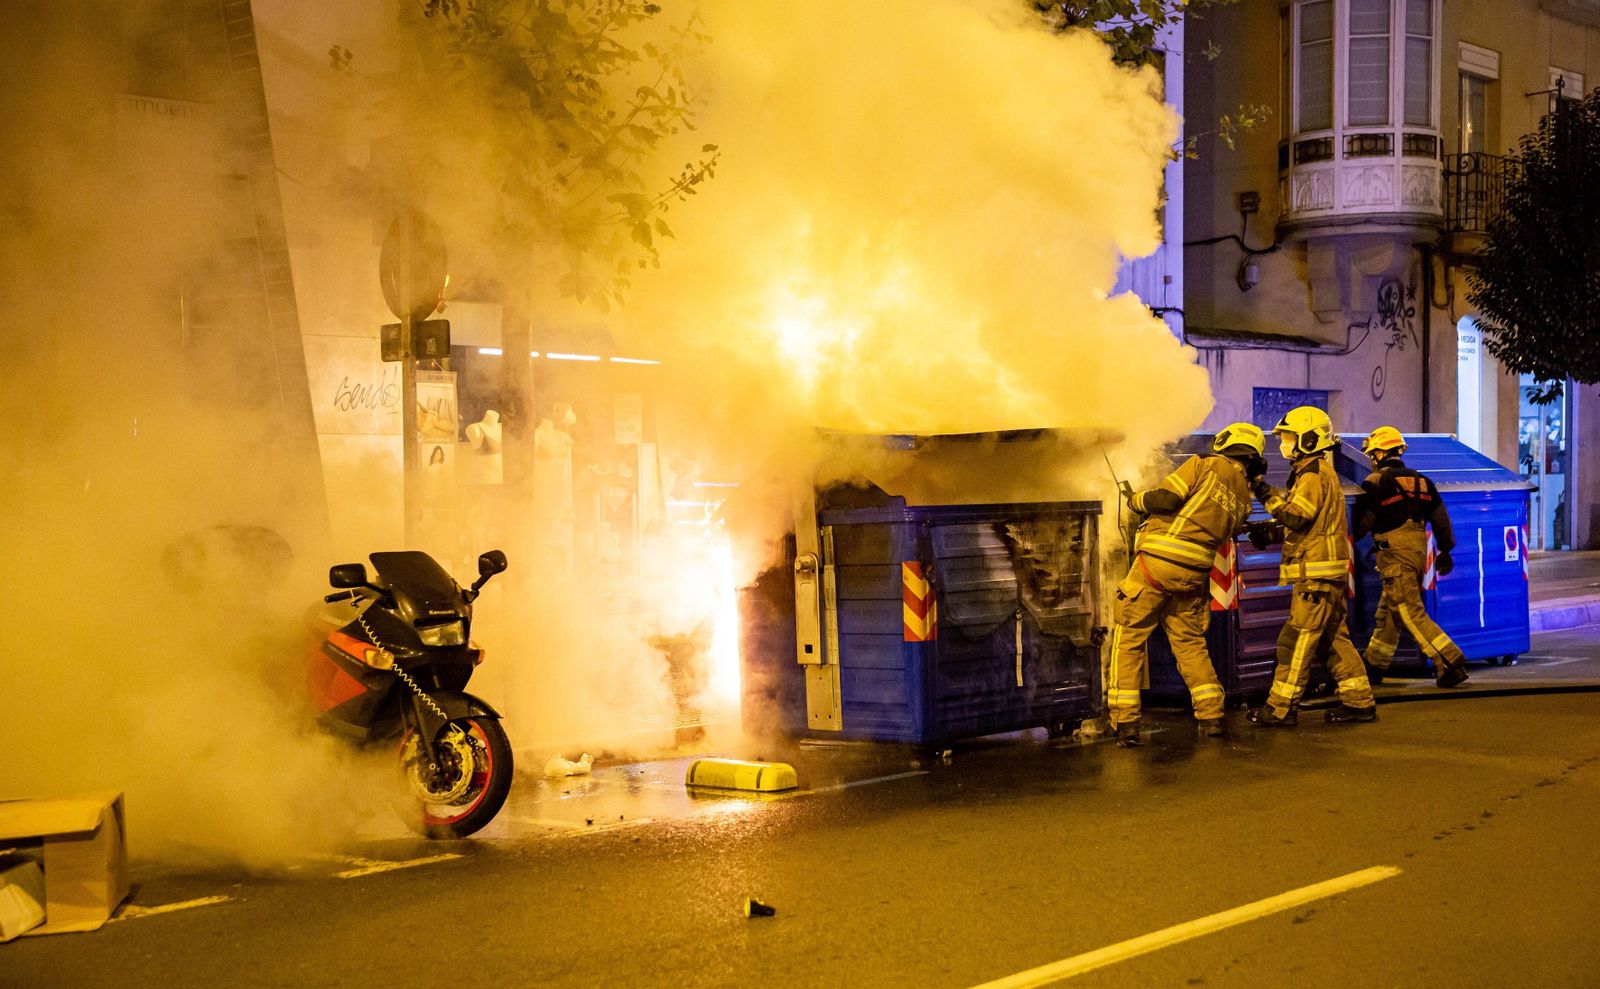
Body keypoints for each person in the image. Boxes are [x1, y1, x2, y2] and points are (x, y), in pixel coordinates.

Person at [1106, 423, 1269, 747]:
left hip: (1156, 565)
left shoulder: (1204, 464)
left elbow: (1166, 498)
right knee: (1190, 645)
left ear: (1227, 443)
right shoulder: (1243, 498)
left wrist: (1136, 500)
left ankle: (1125, 723)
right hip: (1193, 575)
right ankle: (1211, 717)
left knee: (1129, 636)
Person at [1247, 407, 1379, 726]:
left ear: (1308, 439)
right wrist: (1272, 530)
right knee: (1334, 640)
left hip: (1316, 574)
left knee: (1297, 640)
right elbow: (1307, 521)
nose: (1285, 444)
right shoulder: (1315, 472)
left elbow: (1297, 515)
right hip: (1325, 573)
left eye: (1289, 437)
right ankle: (1360, 701)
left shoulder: (1312, 473)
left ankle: (1280, 708)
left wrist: (1263, 492)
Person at [1352, 426, 1470, 688]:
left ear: (1381, 452)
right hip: (1417, 550)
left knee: (1408, 611)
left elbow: (1363, 523)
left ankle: (1450, 660)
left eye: (1373, 454)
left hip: (1393, 553)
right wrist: (1445, 550)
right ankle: (1374, 664)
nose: (1372, 459)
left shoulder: (1376, 481)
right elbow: (1441, 520)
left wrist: (1347, 538)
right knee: (1390, 611)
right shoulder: (1422, 480)